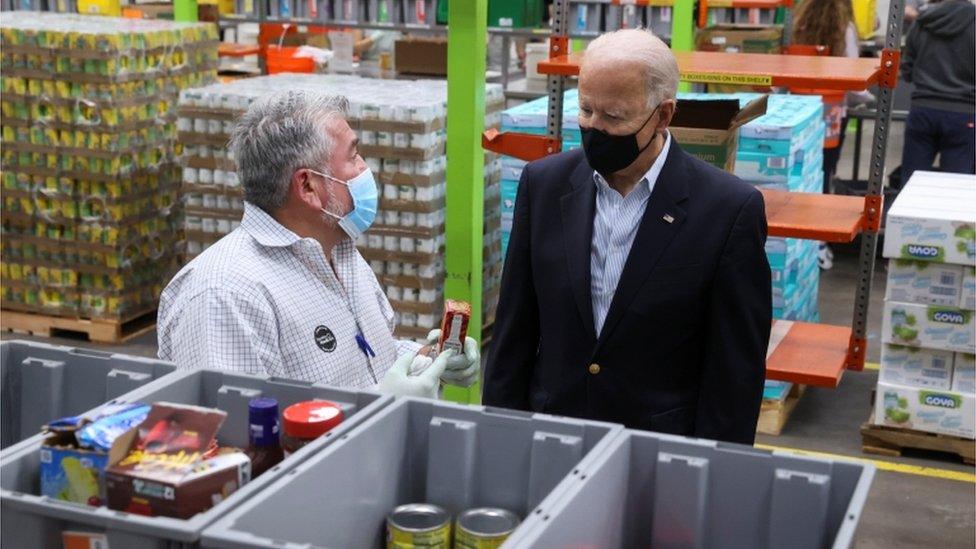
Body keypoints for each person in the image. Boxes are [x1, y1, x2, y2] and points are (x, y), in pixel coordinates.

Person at [482, 29, 772, 445]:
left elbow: (734, 372)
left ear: (663, 114)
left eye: (614, 117)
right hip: (553, 437)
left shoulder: (727, 210)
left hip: (657, 449)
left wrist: (715, 473)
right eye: (585, 110)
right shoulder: (544, 186)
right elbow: (515, 331)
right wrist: (500, 436)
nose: (594, 128)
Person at [157, 91, 479, 398]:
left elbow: (372, 355)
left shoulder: (338, 251)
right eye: (353, 156)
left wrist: (429, 360)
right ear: (308, 186)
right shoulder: (224, 296)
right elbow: (238, 441)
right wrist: (374, 406)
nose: (366, 169)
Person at [792, 0, 869, 270]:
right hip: (833, 111)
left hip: (801, 108)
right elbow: (852, 73)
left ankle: (801, 240)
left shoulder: (799, 24)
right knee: (825, 173)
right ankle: (820, 244)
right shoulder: (844, 28)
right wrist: (870, 94)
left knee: (804, 175)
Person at [900, 0, 976, 182]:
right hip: (964, 115)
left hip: (922, 111)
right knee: (955, 187)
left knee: (911, 184)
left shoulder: (923, 21)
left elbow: (907, 70)